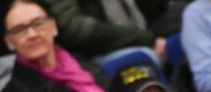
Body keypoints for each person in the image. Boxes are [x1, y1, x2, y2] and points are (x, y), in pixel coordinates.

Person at [37, 0, 167, 61]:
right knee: (143, 56)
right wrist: (145, 39)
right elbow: (76, 29)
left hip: (144, 29)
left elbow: (156, 8)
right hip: (92, 53)